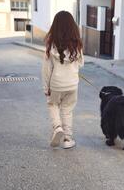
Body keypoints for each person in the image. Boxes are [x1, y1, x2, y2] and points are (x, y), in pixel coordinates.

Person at [42, 11, 83, 149]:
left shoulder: (51, 45)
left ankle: (57, 127)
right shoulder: (77, 45)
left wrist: (45, 87)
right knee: (67, 110)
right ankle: (67, 139)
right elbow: (81, 64)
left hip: (56, 84)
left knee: (52, 104)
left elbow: (46, 70)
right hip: (72, 84)